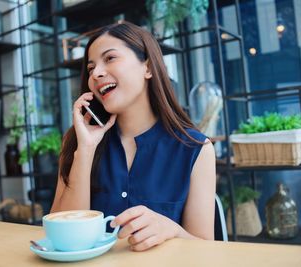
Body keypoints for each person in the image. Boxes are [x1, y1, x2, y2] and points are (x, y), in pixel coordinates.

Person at [51, 21, 216, 251]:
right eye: (90, 68)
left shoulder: (195, 149)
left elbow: (207, 250)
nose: (96, 73)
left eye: (110, 58)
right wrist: (85, 151)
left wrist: (173, 230)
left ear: (147, 67)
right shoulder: (77, 144)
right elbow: (62, 240)